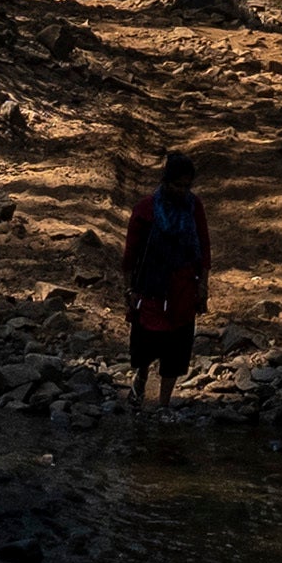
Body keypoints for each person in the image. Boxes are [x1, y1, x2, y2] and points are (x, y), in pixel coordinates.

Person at [121, 149, 211, 408]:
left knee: (176, 346)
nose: (183, 191)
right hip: (150, 286)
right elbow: (131, 254)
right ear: (165, 182)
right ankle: (141, 376)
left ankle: (163, 404)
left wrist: (203, 285)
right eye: (177, 185)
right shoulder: (146, 210)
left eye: (187, 186)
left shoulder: (195, 208)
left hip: (183, 288)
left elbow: (203, 248)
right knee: (145, 344)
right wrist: (128, 290)